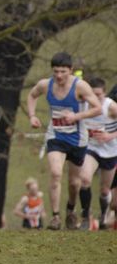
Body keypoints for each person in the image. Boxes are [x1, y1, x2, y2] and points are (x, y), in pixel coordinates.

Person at [26, 52, 101, 230]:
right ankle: (55, 217)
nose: (59, 76)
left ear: (71, 71)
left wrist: (77, 116)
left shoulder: (80, 86)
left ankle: (70, 210)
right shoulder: (46, 85)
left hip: (77, 139)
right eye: (56, 72)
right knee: (55, 173)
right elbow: (32, 95)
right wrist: (32, 116)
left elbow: (97, 108)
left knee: (74, 183)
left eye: (63, 72)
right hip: (56, 136)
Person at [78, 77, 117, 230]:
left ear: (105, 93)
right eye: (93, 94)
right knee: (85, 179)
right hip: (92, 148)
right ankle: (86, 215)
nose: (96, 98)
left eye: (99, 95)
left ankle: (103, 214)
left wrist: (110, 136)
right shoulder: (84, 105)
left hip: (111, 151)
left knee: (104, 190)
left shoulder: (111, 107)